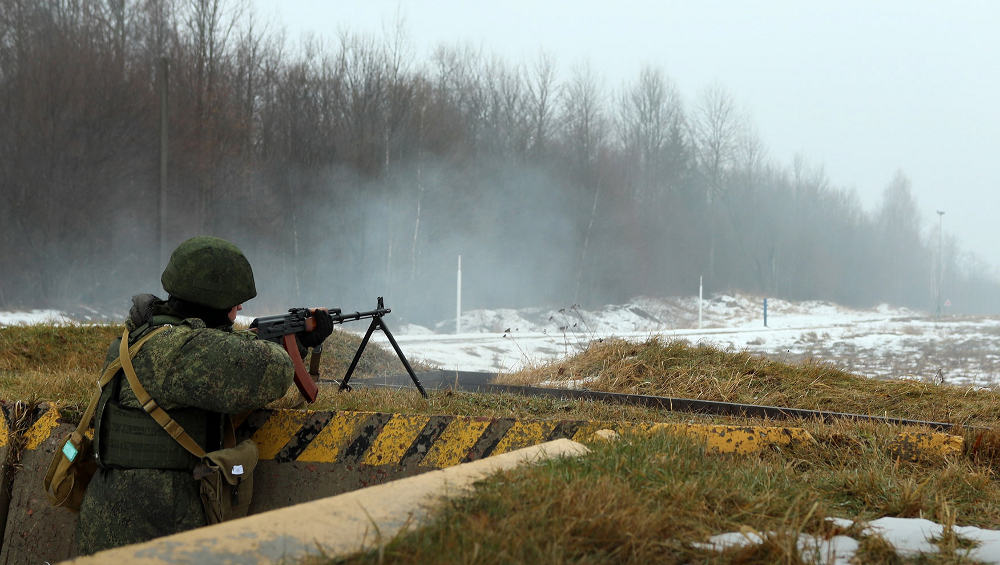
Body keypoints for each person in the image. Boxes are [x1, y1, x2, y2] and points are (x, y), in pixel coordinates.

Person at [76, 235, 333, 554]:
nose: (240, 307)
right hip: (161, 528)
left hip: (106, 522)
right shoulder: (185, 351)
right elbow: (276, 370)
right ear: (213, 302)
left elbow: (256, 395)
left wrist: (301, 346)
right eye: (234, 301)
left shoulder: (137, 340)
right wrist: (295, 344)